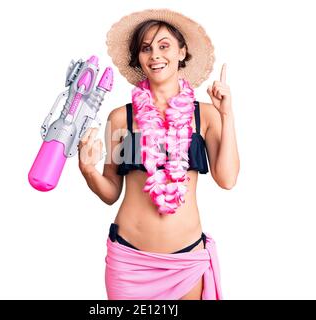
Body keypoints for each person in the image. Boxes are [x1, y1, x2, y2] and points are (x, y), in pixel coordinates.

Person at [78, 9, 239, 300]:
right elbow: (111, 191)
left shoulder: (205, 116)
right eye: (146, 48)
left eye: (164, 46)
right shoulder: (120, 119)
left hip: (186, 260)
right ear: (138, 58)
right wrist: (89, 171)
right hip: (129, 263)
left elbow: (227, 179)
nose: (155, 55)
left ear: (182, 52)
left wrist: (227, 115)